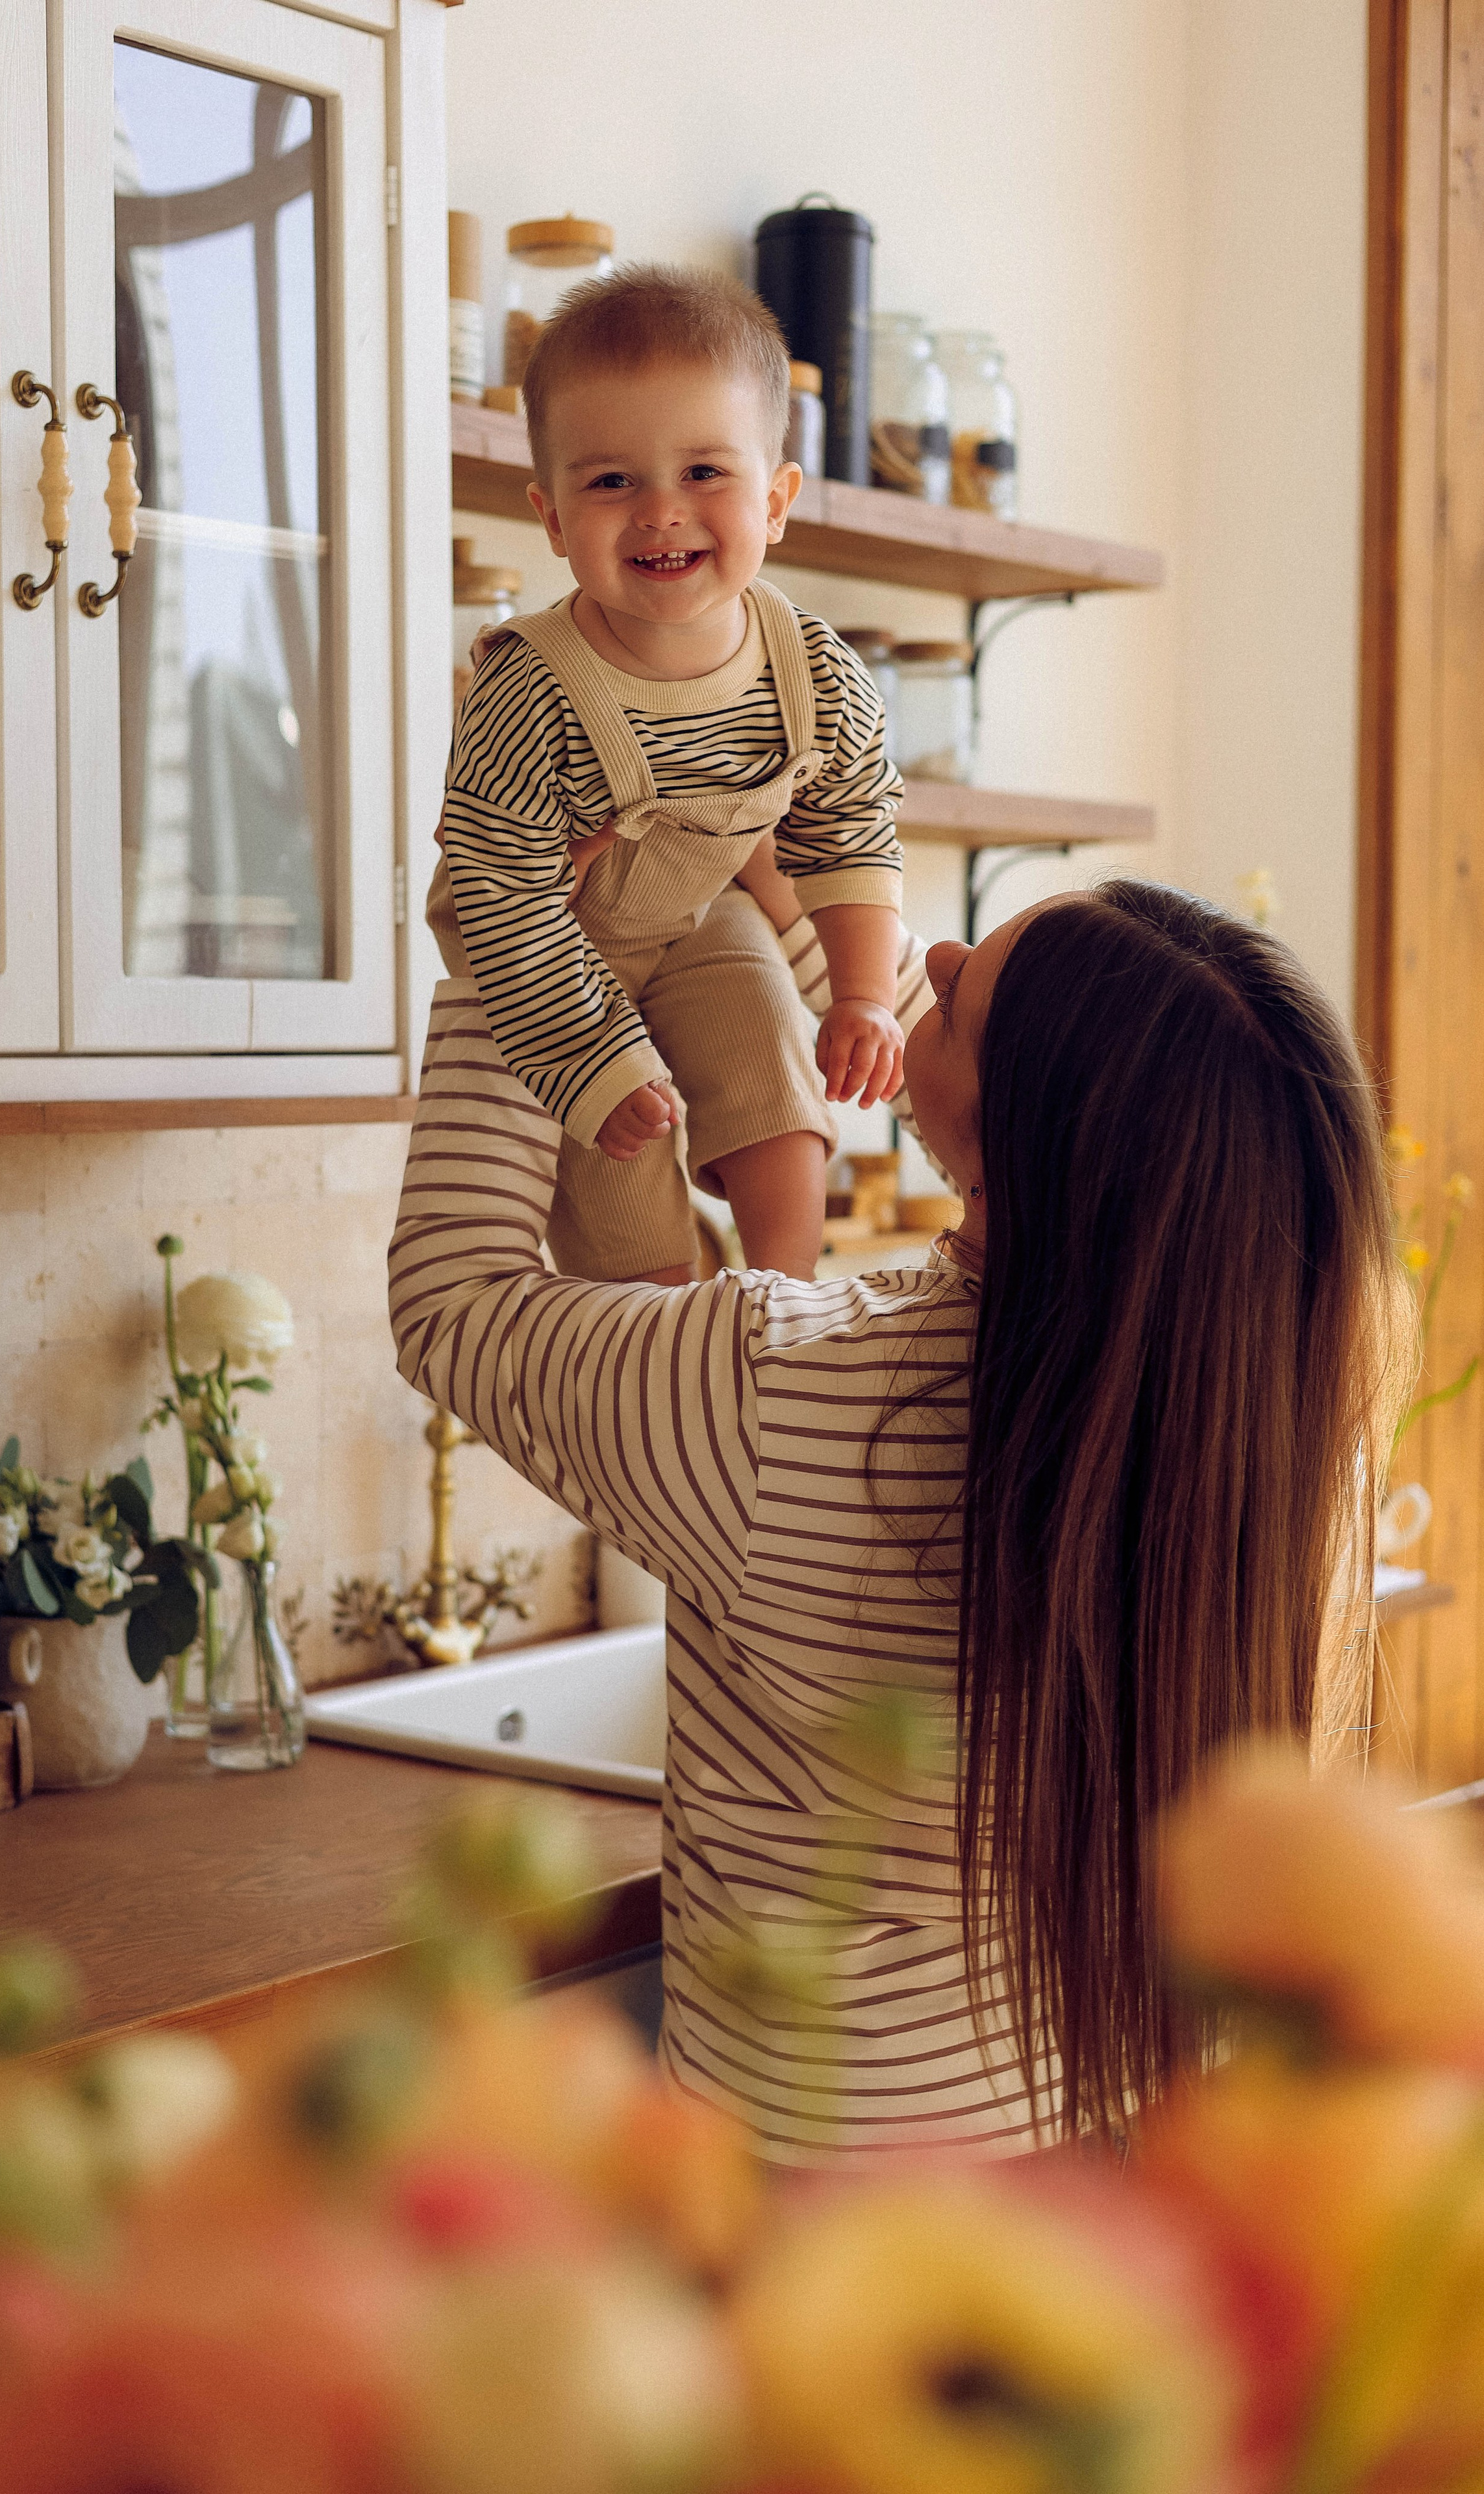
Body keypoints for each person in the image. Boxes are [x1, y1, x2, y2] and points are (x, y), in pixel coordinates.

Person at [390, 880, 1414, 2161]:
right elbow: (968, 1075)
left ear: (1007, 1137)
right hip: (1147, 2131)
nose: (936, 951)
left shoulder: (779, 1389)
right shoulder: (1291, 1422)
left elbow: (451, 1299)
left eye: (964, 988)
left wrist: (520, 939)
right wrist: (802, 893)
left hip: (828, 2190)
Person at [428, 264, 906, 1287]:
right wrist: (592, 1062)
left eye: (703, 473)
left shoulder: (812, 670)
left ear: (775, 501)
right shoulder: (529, 688)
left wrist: (863, 995)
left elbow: (850, 828)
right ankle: (662, 1319)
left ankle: (784, 1305)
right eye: (611, 482)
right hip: (545, 944)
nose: (660, 512)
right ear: (553, 519)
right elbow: (503, 898)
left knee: (771, 1059)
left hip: (699, 917)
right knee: (620, 1171)